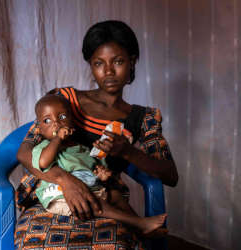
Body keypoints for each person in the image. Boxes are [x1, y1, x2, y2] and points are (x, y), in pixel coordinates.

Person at [15, 20, 178, 249]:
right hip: (51, 198)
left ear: (132, 62)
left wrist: (128, 152)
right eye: (99, 63)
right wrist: (65, 180)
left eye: (118, 61)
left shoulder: (143, 118)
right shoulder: (64, 101)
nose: (108, 71)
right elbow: (24, 153)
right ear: (91, 66)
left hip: (104, 200)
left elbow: (170, 175)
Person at [31, 94, 167, 235]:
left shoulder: (82, 148)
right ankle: (140, 223)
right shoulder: (44, 147)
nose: (56, 123)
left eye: (62, 117)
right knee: (93, 202)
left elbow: (93, 170)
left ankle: (139, 228)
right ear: (40, 129)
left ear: (72, 121)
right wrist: (57, 139)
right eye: (47, 120)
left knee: (115, 195)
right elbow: (43, 162)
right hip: (59, 196)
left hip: (89, 189)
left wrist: (102, 175)